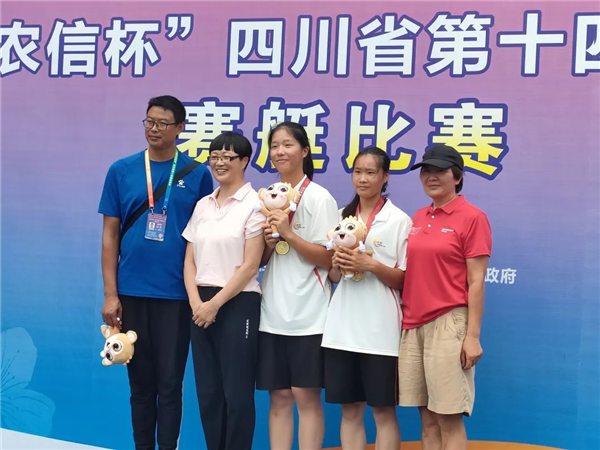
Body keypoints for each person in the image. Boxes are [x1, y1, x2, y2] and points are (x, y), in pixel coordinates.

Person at [99, 95, 213, 450]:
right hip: (131, 292)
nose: (154, 129)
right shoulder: (122, 170)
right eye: (149, 121)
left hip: (177, 295)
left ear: (180, 128)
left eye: (163, 123)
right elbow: (110, 235)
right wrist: (110, 293)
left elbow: (205, 235)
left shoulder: (197, 174)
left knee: (170, 384)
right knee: (140, 384)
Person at [398, 144, 492, 450]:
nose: (431, 177)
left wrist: (472, 337)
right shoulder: (418, 216)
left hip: (449, 322)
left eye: (440, 171)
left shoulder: (472, 217)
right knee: (426, 420)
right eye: (426, 171)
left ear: (458, 177)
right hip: (413, 323)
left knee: (448, 419)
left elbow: (476, 281)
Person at [322, 146, 411, 450]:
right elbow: (334, 278)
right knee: (349, 411)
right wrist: (337, 265)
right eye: (358, 171)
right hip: (341, 331)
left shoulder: (399, 220)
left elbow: (405, 279)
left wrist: (370, 264)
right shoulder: (341, 218)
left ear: (385, 177)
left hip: (380, 333)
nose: (362, 179)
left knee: (383, 412)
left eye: (371, 172)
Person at [256, 121, 339, 450]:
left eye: (287, 144)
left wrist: (289, 234)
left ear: (304, 151)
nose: (279, 152)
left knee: (305, 396)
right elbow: (262, 259)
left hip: (309, 315)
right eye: (274, 145)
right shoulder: (268, 197)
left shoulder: (319, 197)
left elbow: (329, 259)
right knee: (278, 397)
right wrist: (267, 243)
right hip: (272, 313)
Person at [182, 132, 265, 450]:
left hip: (238, 302)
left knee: (237, 393)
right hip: (199, 304)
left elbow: (250, 265)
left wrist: (214, 304)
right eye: (214, 156)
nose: (219, 162)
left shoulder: (255, 204)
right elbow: (189, 260)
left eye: (227, 157)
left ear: (244, 161)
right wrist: (196, 302)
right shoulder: (203, 205)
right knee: (209, 392)